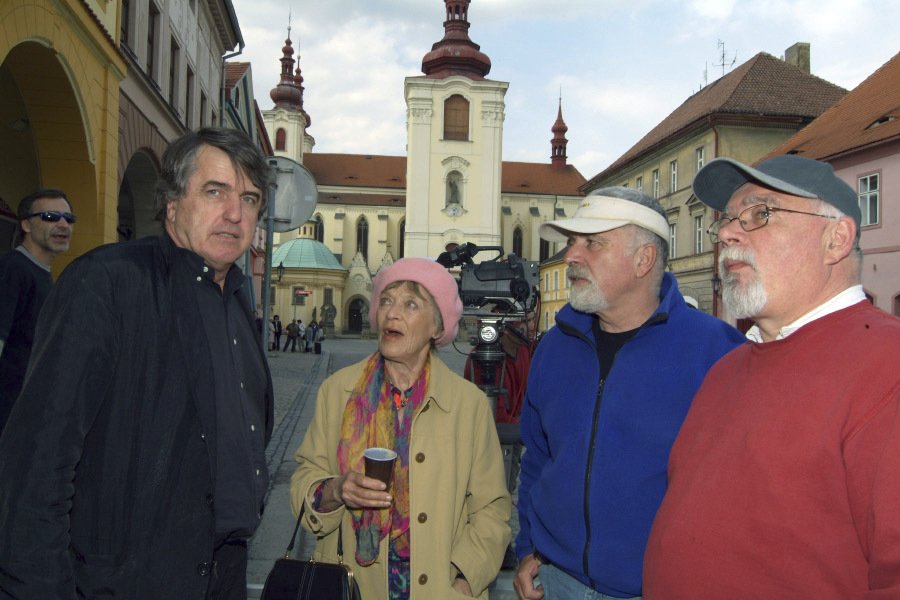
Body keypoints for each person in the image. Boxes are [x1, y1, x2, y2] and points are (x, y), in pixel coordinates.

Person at [0, 127, 274, 599]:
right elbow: (37, 465)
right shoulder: (108, 282)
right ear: (172, 204)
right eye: (215, 192)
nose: (234, 213)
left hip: (221, 571)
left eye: (249, 199)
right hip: (124, 581)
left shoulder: (237, 303)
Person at [644, 155, 900, 597]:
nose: (725, 233)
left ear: (835, 240)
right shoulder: (727, 367)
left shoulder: (885, 367)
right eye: (725, 220)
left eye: (761, 214)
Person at [513, 187, 745, 600]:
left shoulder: (717, 353)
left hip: (660, 588)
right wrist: (530, 545)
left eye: (592, 243)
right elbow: (538, 459)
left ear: (644, 260)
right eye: (571, 242)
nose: (571, 256)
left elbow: (742, 493)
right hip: (555, 583)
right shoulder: (555, 345)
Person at [291, 257, 511, 600]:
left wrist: (465, 579)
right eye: (386, 301)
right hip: (352, 588)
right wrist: (336, 490)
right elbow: (306, 478)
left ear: (437, 327)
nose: (392, 313)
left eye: (411, 303)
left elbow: (492, 509)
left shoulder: (468, 405)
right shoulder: (338, 392)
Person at [0, 188, 74, 433]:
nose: (62, 224)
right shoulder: (13, 269)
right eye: (50, 217)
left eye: (68, 218)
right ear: (26, 225)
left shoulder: (41, 274)